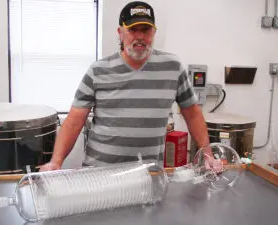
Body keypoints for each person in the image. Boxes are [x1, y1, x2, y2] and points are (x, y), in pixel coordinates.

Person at [40, 1, 214, 172]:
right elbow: (74, 121)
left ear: (154, 32)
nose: (139, 37)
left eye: (145, 30)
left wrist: (208, 155)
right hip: (101, 173)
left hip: (149, 174)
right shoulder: (98, 70)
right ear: (120, 33)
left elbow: (192, 114)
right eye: (132, 29)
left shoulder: (173, 67)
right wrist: (56, 161)